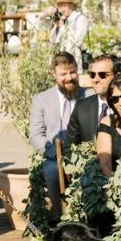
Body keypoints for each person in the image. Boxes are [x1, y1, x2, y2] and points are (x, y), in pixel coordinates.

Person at [28, 51, 88, 219]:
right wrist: (55, 153)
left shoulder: (89, 96)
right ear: (53, 74)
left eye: (73, 72)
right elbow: (35, 135)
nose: (69, 77)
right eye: (63, 74)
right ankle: (61, 217)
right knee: (53, 172)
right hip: (55, 155)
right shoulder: (42, 100)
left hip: (86, 155)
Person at [64, 53, 116, 153]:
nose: (96, 79)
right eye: (92, 75)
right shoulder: (81, 107)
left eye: (102, 75)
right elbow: (69, 148)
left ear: (117, 75)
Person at [49, 0, 90, 71]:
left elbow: (78, 41)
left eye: (64, 5)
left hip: (73, 63)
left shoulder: (80, 19)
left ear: (72, 5)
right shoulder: (62, 20)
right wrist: (55, 25)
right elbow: (53, 42)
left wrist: (62, 27)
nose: (61, 9)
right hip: (59, 63)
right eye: (59, 6)